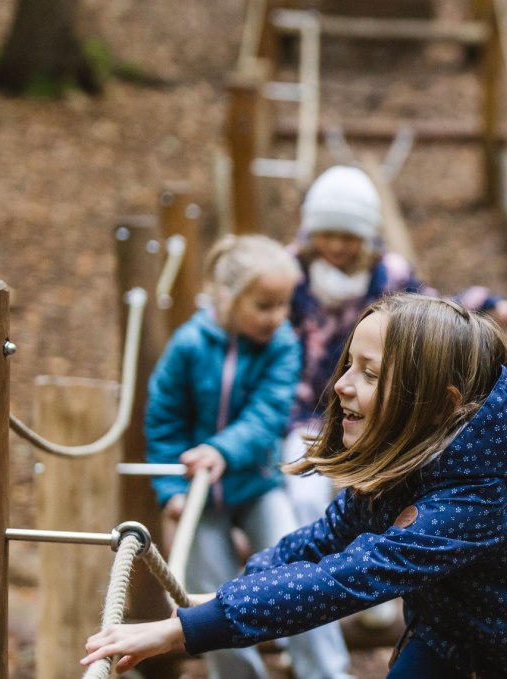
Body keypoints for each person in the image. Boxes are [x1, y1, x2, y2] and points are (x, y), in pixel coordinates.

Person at [86, 294, 507, 678]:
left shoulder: (474, 500)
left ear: (437, 403)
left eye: (370, 373)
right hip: (454, 630)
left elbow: (343, 579)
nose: (341, 384)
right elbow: (324, 542)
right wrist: (230, 596)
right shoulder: (405, 460)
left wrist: (187, 631)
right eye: (350, 365)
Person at [142, 234, 353, 679]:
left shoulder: (281, 346)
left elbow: (267, 418)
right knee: (206, 597)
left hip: (257, 486)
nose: (278, 317)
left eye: (283, 305)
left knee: (300, 581)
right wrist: (171, 491)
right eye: (264, 305)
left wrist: (221, 451)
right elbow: (164, 422)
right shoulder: (188, 346)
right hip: (200, 499)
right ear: (227, 297)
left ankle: (326, 671)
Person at [282, 165, 507, 526]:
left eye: (349, 236)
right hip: (304, 411)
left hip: (374, 405)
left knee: (364, 489)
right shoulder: (290, 275)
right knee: (306, 492)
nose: (338, 246)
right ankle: (310, 569)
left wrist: (483, 302)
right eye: (328, 234)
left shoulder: (388, 274)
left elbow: (429, 312)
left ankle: (349, 564)